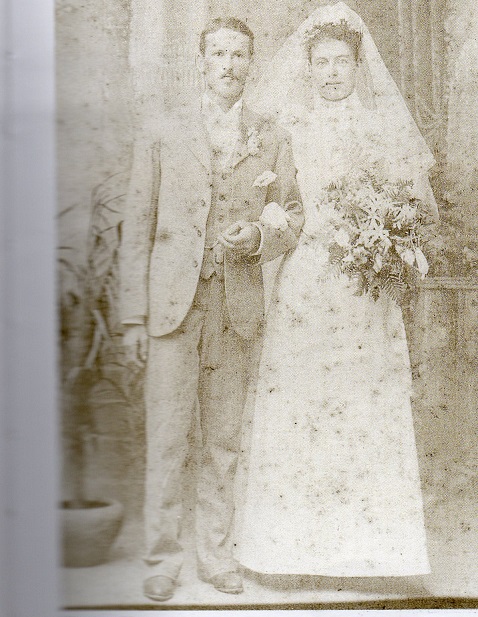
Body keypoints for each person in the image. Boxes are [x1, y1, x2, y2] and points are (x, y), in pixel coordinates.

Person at [237, 2, 438, 577]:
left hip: (363, 287)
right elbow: (275, 203)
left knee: (362, 406)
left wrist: (387, 239)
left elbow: (412, 207)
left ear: (357, 66)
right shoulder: (289, 131)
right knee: (302, 405)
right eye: (322, 62)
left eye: (341, 62)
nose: (331, 73)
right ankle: (288, 554)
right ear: (309, 67)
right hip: (305, 283)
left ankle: (376, 558)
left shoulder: (382, 127)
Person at [119, 17, 303, 601]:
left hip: (235, 307)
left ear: (251, 63)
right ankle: (162, 558)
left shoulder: (271, 136)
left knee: (223, 440)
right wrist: (132, 318)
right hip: (172, 309)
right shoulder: (164, 130)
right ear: (201, 61)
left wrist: (260, 237)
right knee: (167, 438)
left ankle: (216, 555)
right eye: (219, 53)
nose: (229, 64)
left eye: (239, 55)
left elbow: (293, 215)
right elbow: (137, 226)